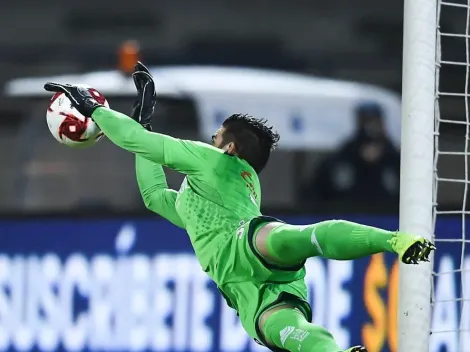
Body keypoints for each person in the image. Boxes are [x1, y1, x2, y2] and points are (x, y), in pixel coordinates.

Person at [43, 63, 435, 352]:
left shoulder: (214, 162)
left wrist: (96, 111)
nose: (209, 140)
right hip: (249, 287)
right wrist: (139, 122)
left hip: (244, 245)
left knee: (288, 237)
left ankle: (394, 240)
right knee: (290, 330)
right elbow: (154, 194)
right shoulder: (210, 193)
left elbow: (146, 147)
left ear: (228, 147)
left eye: (215, 136)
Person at [305, 102, 400, 209]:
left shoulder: (395, 161)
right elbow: (314, 193)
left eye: (375, 120)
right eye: (365, 120)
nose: (370, 126)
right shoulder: (340, 160)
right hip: (347, 218)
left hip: (387, 221)